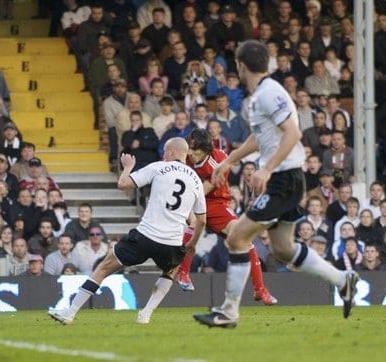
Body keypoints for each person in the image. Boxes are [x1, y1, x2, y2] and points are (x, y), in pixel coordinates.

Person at [193, 40, 358, 329]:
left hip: (283, 179)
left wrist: (267, 169)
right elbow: (260, 138)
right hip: (285, 179)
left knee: (236, 238)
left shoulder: (268, 94)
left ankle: (229, 312)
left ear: (241, 67)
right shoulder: (261, 96)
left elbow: (292, 133)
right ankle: (343, 280)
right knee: (283, 249)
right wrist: (228, 160)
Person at [49, 137, 207, 325]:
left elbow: (123, 184)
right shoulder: (196, 181)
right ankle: (146, 314)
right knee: (170, 272)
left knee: (104, 268)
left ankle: (70, 312)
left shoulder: (158, 167)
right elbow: (201, 220)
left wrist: (127, 166)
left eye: (165, 151)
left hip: (145, 235)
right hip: (171, 242)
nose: (163, 155)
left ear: (172, 151)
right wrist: (192, 243)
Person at [176, 129, 277, 305]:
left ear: (206, 149)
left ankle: (260, 289)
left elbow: (203, 191)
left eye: (195, 150)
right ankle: (183, 273)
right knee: (193, 225)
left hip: (215, 203)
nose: (191, 154)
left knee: (244, 238)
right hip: (189, 199)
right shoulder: (183, 156)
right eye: (189, 149)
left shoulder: (220, 160)